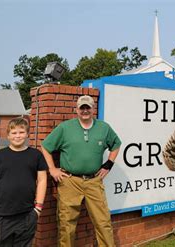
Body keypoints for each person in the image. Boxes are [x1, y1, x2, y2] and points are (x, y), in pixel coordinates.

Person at [41, 95, 121, 247]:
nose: (85, 110)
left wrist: (109, 164)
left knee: (103, 221)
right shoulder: (65, 128)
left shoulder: (104, 128)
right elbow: (46, 146)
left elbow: (116, 144)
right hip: (70, 181)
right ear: (76, 110)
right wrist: (52, 169)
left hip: (94, 181)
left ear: (93, 109)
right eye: (82, 107)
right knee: (66, 224)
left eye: (88, 107)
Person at [0, 117, 48, 246]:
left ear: (27, 134)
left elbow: (42, 180)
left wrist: (38, 208)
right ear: (8, 135)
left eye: (21, 132)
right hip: (0, 216)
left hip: (27, 214)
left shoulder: (36, 155)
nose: (18, 136)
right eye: (14, 133)